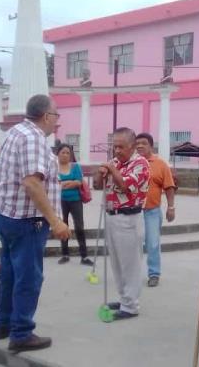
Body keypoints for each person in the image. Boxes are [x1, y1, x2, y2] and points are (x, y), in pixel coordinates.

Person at [0, 94, 70, 353]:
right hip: (26, 220)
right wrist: (55, 221)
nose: (57, 122)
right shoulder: (33, 138)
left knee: (10, 271)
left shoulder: (16, 131)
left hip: (8, 215)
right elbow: (32, 183)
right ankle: (21, 332)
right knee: (29, 277)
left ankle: (3, 323)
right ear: (46, 116)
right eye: (56, 116)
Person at [94, 127, 150, 320]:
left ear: (132, 146)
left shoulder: (140, 163)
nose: (116, 151)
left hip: (129, 218)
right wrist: (100, 172)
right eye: (114, 146)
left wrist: (111, 169)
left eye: (121, 147)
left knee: (130, 264)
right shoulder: (114, 162)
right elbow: (96, 185)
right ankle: (124, 298)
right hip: (112, 216)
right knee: (117, 262)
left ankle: (131, 306)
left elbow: (125, 185)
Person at [135, 132, 176, 288]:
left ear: (151, 146)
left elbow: (169, 187)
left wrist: (171, 207)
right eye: (137, 143)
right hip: (133, 211)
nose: (139, 146)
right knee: (134, 244)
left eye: (143, 143)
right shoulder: (131, 163)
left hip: (152, 211)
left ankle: (153, 274)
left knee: (152, 244)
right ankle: (132, 274)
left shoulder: (160, 164)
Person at [56, 143, 93, 266]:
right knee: (63, 226)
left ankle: (84, 256)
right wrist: (69, 182)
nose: (66, 155)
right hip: (60, 201)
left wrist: (64, 183)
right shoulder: (54, 167)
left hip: (75, 200)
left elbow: (78, 182)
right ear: (58, 154)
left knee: (79, 227)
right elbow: (55, 184)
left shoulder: (75, 166)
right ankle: (65, 254)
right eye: (63, 152)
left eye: (68, 153)